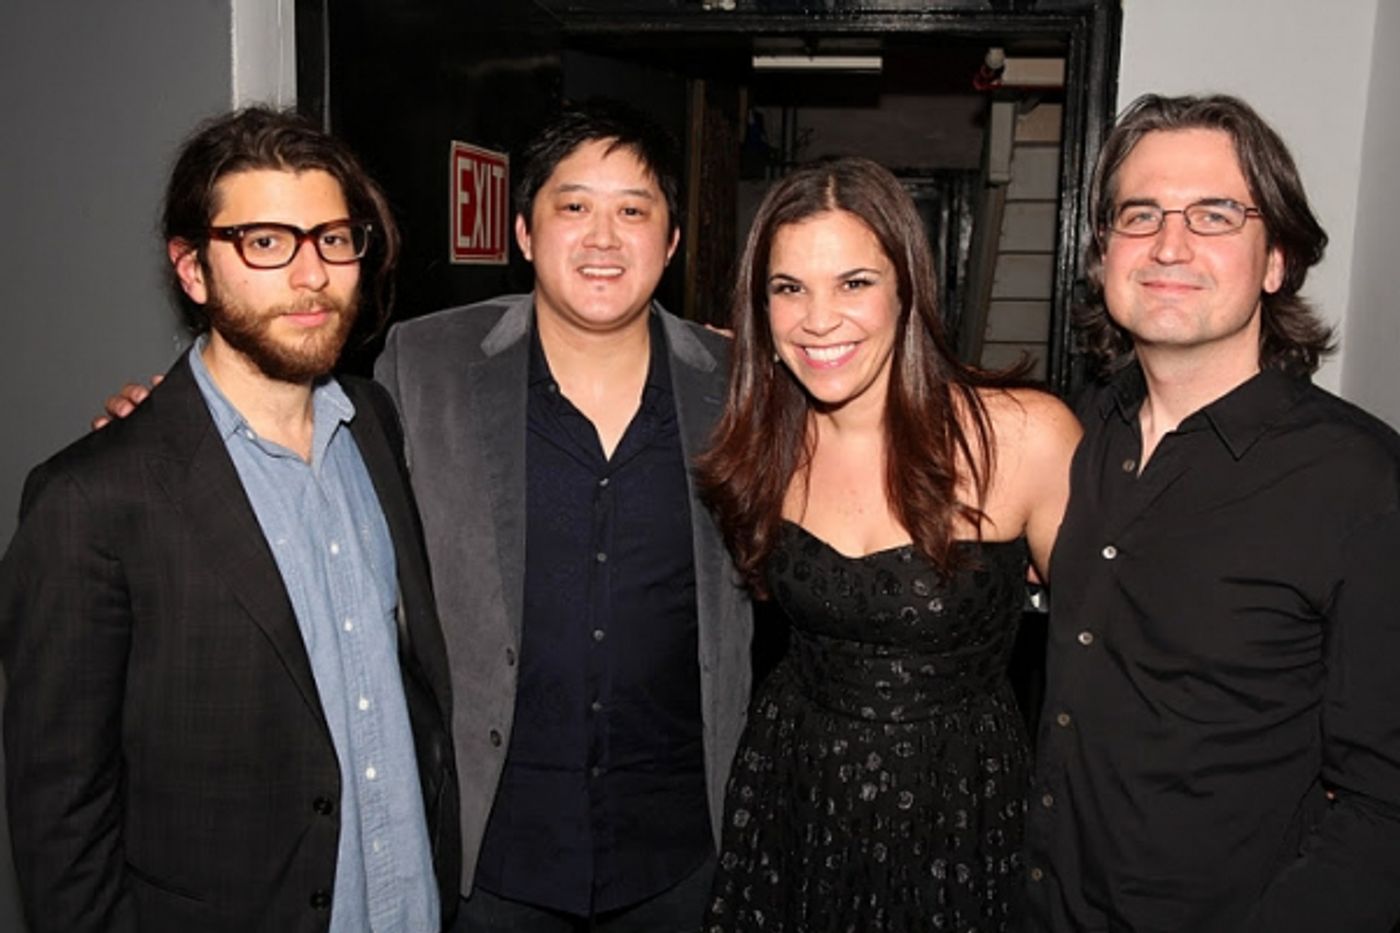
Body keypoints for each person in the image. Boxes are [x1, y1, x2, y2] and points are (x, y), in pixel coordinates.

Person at [0, 108, 459, 932]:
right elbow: (62, 824)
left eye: (332, 238)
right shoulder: (91, 502)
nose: (311, 274)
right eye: (266, 243)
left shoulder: (375, 421)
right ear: (192, 269)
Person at [1025, 93, 1400, 932]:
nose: (1169, 243)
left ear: (1277, 259)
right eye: (1141, 213)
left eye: (1216, 214)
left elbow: (1385, 811)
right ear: (1103, 254)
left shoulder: (1361, 482)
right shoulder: (1073, 436)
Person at [376, 100, 752, 930]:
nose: (603, 238)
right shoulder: (424, 364)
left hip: (678, 857)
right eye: (573, 206)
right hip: (491, 858)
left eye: (633, 210)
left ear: (673, 240)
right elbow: (314, 471)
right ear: (523, 231)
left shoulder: (739, 385)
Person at [697, 156, 1080, 932]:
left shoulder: (1022, 436)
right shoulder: (762, 442)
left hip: (957, 802)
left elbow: (1114, 657)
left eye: (854, 282)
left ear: (907, 288)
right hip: (792, 788)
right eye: (788, 288)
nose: (818, 318)